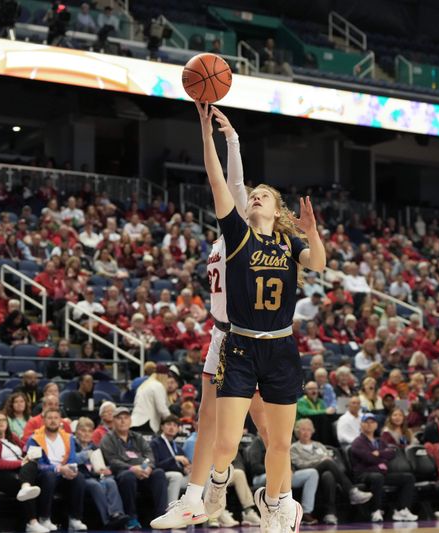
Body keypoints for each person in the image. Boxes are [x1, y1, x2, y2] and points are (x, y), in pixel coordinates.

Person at [196, 102, 325, 533]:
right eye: (253, 193)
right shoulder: (236, 233)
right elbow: (219, 179)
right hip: (241, 344)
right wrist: (206, 131)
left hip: (281, 348)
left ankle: (276, 507)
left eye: (263, 195)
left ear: (276, 208)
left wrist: (310, 230)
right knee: (228, 441)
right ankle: (216, 485)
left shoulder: (290, 243)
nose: (254, 196)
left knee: (280, 441)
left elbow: (320, 264)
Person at [291, 418, 370, 525]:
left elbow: (328, 456)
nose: (306, 432)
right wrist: (320, 461)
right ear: (297, 431)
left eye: (309, 429)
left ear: (312, 431)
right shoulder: (293, 448)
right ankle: (352, 491)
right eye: (303, 429)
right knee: (327, 463)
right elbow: (300, 464)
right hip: (306, 473)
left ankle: (330, 513)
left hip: (322, 474)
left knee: (328, 475)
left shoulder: (319, 445)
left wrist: (325, 460)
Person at [100, 407, 167, 528]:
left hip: (143, 471)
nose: (122, 421)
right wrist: (131, 468)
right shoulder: (108, 438)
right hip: (122, 473)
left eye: (126, 418)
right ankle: (131, 518)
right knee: (128, 476)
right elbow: (112, 460)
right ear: (113, 421)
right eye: (119, 418)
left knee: (159, 473)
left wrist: (149, 467)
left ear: (130, 421)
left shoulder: (137, 437)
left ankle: (161, 516)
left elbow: (149, 454)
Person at [0, 412, 44, 533]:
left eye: (4, 420)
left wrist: (32, 454)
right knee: (23, 481)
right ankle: (32, 522)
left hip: (20, 471)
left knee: (35, 469)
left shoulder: (12, 437)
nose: (1, 422)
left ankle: (41, 517)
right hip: (0, 474)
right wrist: (21, 463)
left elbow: (26, 449)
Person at [25, 408, 88, 531]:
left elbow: (72, 459)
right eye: (49, 418)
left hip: (64, 475)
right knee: (50, 476)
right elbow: (35, 465)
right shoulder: (34, 439)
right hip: (43, 475)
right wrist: (58, 468)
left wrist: (70, 470)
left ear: (60, 421)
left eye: (56, 418)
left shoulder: (69, 438)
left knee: (79, 477)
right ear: (43, 420)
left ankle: (75, 519)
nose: (53, 421)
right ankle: (44, 518)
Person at [349, 413, 418, 522]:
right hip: (364, 474)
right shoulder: (357, 442)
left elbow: (391, 453)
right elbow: (368, 458)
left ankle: (401, 510)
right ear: (361, 425)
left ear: (376, 425)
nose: (369, 425)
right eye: (366, 422)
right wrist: (380, 459)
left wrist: (379, 454)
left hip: (380, 473)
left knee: (408, 478)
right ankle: (376, 511)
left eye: (372, 422)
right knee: (377, 477)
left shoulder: (380, 441)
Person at [73, 417, 128, 529]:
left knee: (110, 482)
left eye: (89, 431)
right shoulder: (72, 444)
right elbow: (72, 459)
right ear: (77, 431)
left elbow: (105, 463)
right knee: (95, 486)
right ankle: (107, 520)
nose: (86, 434)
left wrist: (107, 469)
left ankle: (117, 514)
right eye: (83, 431)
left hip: (97, 475)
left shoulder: (95, 446)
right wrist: (85, 454)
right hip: (81, 477)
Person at [149, 415, 190, 503]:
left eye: (175, 425)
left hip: (179, 476)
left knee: (201, 478)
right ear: (162, 427)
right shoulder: (155, 443)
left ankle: (206, 511)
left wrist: (187, 468)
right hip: (162, 476)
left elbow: (185, 465)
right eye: (169, 424)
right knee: (176, 476)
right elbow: (155, 465)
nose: (172, 427)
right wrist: (174, 459)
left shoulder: (178, 447)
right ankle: (171, 509)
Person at [130, 364, 170, 433]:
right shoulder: (158, 385)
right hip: (146, 424)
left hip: (134, 423)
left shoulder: (144, 385)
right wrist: (173, 420)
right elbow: (162, 408)